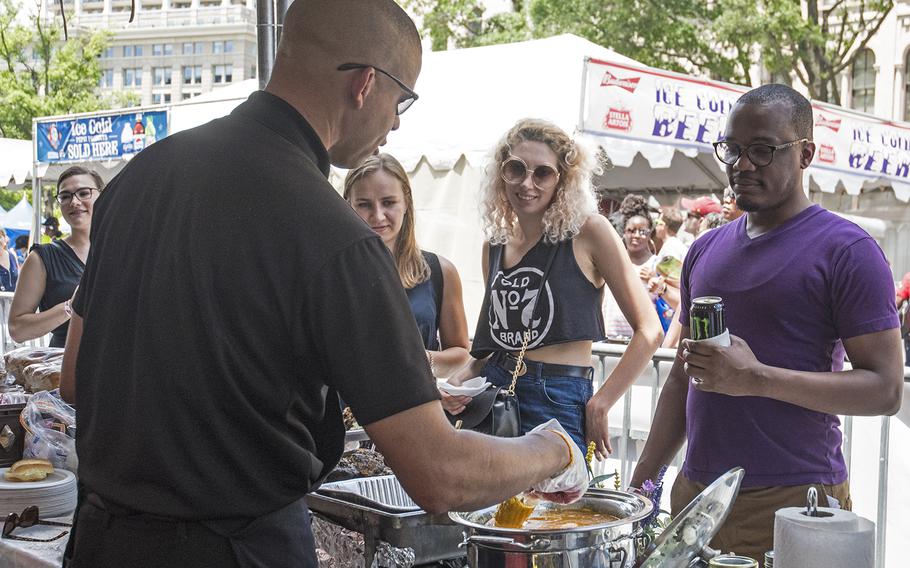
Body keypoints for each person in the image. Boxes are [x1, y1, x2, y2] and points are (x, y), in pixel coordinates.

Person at [59, 3, 585, 567]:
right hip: (234, 547)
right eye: (401, 99)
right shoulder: (335, 237)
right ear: (365, 84)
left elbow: (73, 378)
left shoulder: (138, 178)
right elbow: (440, 474)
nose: (398, 121)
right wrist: (553, 450)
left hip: (101, 539)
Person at [631, 84, 903, 562]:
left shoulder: (847, 251)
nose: (742, 164)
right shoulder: (704, 250)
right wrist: (644, 483)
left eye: (762, 150)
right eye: (732, 149)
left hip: (794, 500)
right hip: (695, 496)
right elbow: (682, 376)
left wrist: (756, 379)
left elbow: (885, 390)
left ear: (805, 154)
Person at [449, 118, 663, 459]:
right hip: (494, 391)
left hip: (557, 396)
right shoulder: (495, 245)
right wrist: (460, 380)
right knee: (485, 509)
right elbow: (498, 342)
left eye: (543, 173)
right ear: (500, 173)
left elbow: (650, 330)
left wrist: (601, 403)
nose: (527, 183)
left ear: (562, 179)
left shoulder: (589, 231)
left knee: (554, 509)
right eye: (515, 169)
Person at [343, 153, 471, 379]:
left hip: (417, 408)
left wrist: (417, 360)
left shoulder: (440, 271)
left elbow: (461, 355)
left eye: (388, 202)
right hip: (348, 411)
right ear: (347, 205)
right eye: (364, 204)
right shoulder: (333, 274)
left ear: (406, 203)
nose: (378, 215)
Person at [8, 166, 100, 347]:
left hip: (119, 365)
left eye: (83, 193)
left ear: (103, 196)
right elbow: (17, 329)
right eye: (65, 196)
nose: (74, 202)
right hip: (65, 368)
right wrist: (69, 307)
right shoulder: (42, 258)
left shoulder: (123, 249)